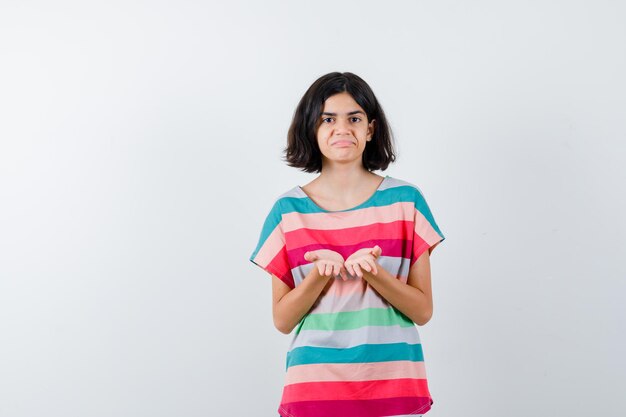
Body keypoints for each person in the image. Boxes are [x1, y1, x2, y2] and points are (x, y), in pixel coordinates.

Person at [249, 72, 446, 417]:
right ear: (311, 128)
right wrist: (318, 276)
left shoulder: (406, 202)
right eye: (328, 119)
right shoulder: (287, 212)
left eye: (354, 118)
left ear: (370, 129)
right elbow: (282, 319)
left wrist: (374, 273)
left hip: (392, 384)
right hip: (314, 386)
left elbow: (423, 311)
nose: (342, 129)